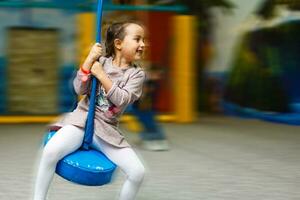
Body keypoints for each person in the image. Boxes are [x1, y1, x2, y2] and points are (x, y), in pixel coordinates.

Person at [33, 21, 146, 200]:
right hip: (82, 121)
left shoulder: (136, 74)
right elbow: (79, 89)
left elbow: (122, 99)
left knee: (137, 172)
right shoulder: (101, 61)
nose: (143, 44)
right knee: (50, 152)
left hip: (106, 130)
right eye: (137, 39)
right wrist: (88, 60)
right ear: (118, 44)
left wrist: (101, 75)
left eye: (143, 40)